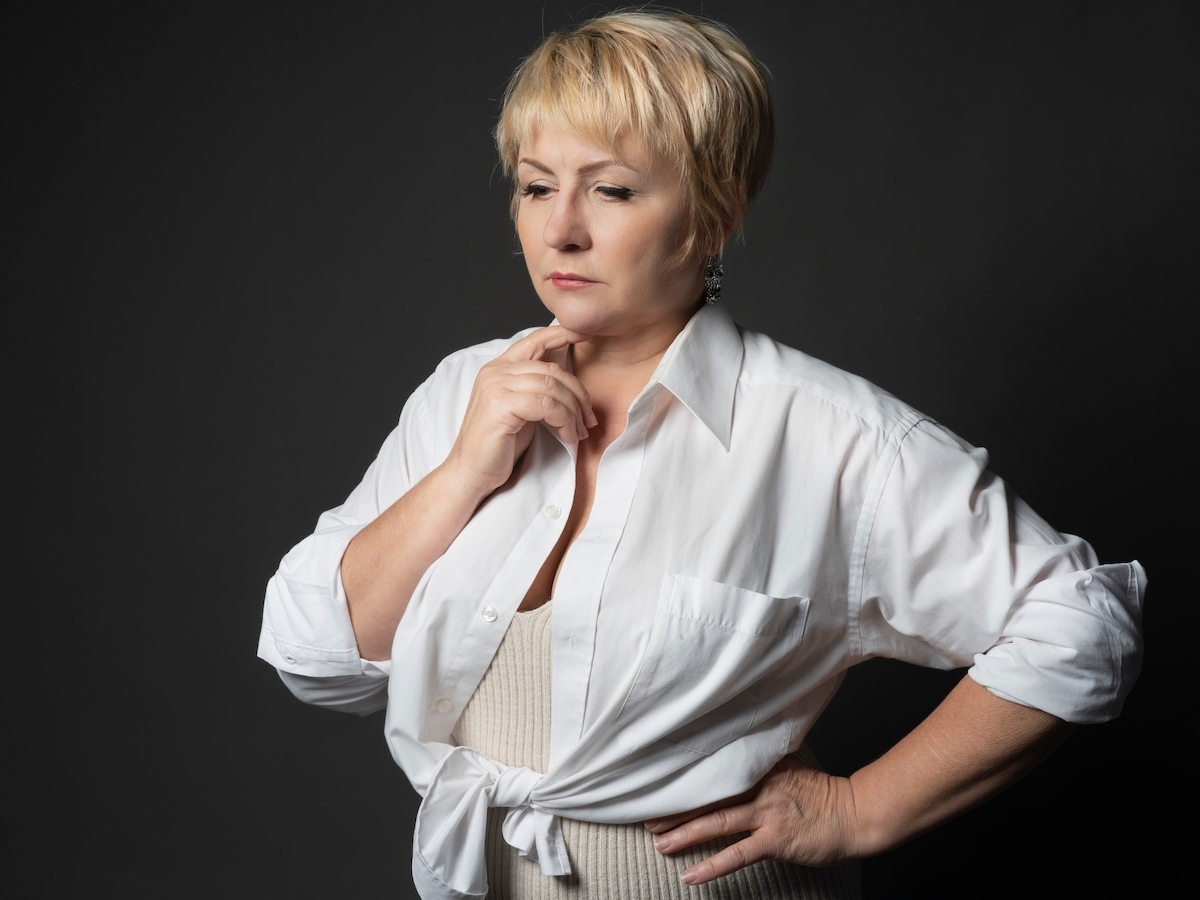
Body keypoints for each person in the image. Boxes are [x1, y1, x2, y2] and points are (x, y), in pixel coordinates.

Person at [257, 10, 1144, 900]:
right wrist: (461, 476)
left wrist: (860, 810)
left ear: (715, 212)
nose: (561, 229)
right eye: (535, 186)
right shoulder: (463, 393)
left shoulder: (828, 434)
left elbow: (1080, 623)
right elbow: (314, 654)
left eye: (611, 191)